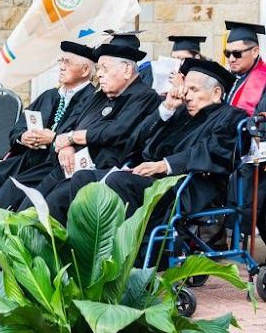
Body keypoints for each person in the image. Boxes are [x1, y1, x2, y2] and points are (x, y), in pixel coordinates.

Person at [66, 59, 244, 222]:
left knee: (119, 181)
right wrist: (167, 108)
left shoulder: (230, 117)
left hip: (188, 186)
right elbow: (139, 139)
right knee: (84, 177)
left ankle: (131, 252)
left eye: (194, 90)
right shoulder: (182, 112)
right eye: (186, 89)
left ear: (216, 93)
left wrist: (163, 165)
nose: (187, 96)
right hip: (153, 177)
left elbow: (212, 152)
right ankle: (89, 244)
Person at [18, 33, 162, 221]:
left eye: (104, 68)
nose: (99, 73)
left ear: (127, 69)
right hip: (68, 165)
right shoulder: (99, 95)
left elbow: (117, 132)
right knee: (29, 204)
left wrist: (71, 138)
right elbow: (72, 122)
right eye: (99, 68)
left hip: (100, 171)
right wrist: (66, 145)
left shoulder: (144, 96)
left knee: (52, 206)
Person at [0, 40, 95, 210]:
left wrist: (53, 139)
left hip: (52, 165)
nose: (62, 67)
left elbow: (88, 137)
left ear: (85, 70)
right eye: (61, 62)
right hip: (27, 158)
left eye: (68, 63)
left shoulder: (92, 100)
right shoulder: (49, 95)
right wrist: (23, 137)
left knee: (8, 191)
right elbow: (18, 127)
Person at [223, 21, 266, 115]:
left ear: (255, 52)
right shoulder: (225, 78)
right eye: (227, 53)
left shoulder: (264, 80)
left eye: (236, 54)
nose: (231, 59)